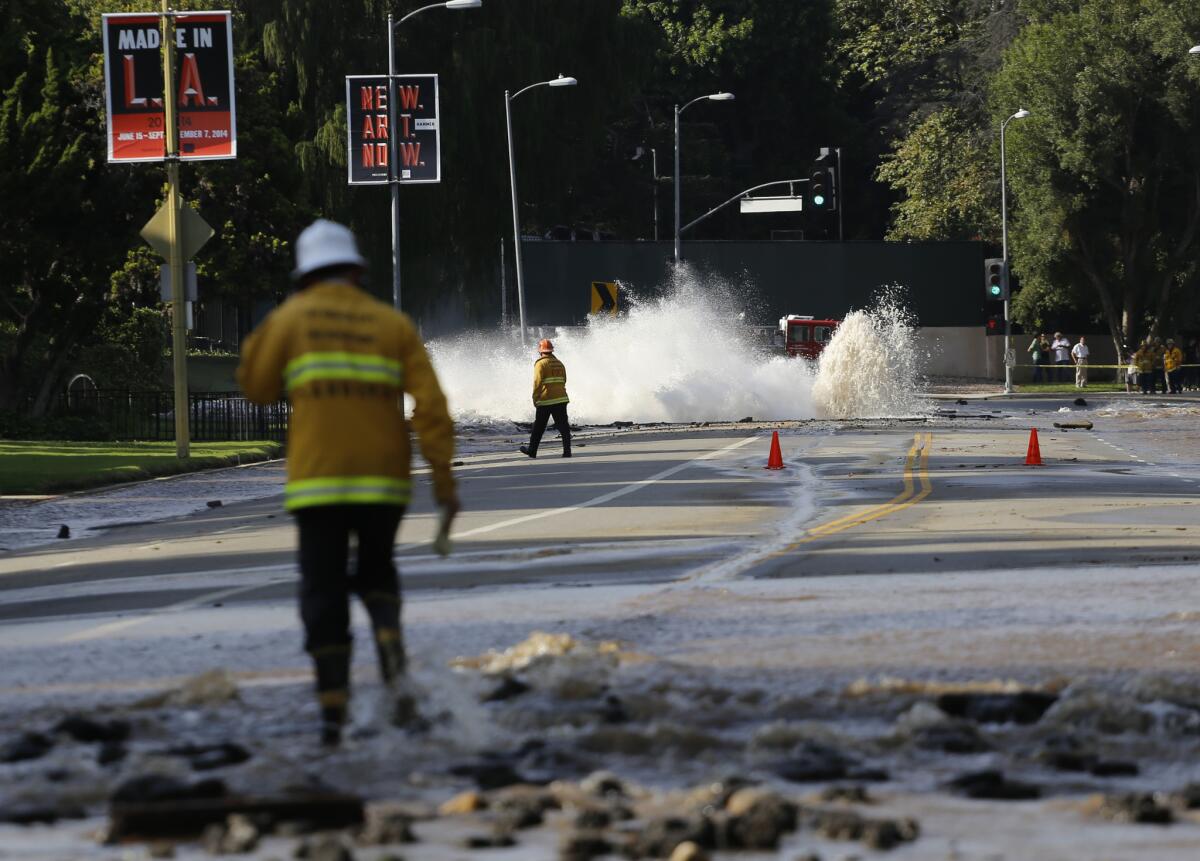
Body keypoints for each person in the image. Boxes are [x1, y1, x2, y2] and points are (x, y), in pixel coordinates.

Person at [237, 219, 459, 746]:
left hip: (318, 482)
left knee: (323, 585)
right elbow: (432, 409)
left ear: (304, 274)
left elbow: (257, 387)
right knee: (378, 570)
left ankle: (332, 710)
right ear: (357, 269)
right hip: (384, 480)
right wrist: (444, 485)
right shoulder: (391, 323)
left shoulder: (290, 319)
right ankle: (391, 658)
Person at [520, 338, 571, 459]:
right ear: (551, 350)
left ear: (540, 351)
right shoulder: (559, 363)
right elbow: (564, 380)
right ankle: (567, 451)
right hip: (561, 399)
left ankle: (532, 451)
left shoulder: (540, 363)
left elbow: (537, 382)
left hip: (546, 400)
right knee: (563, 426)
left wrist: (535, 397)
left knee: (538, 427)